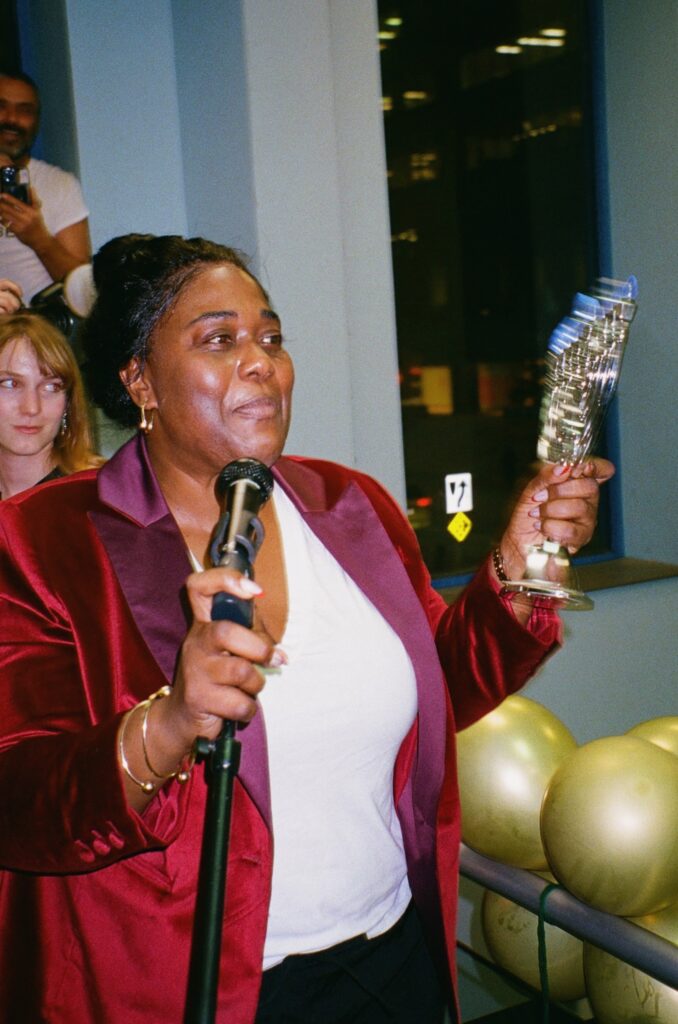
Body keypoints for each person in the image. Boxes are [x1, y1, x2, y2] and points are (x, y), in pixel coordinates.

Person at [0, 234, 612, 1024]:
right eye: (220, 340)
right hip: (188, 992)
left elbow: (437, 690)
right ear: (139, 378)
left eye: (272, 338)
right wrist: (169, 723)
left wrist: (518, 567)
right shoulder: (40, 540)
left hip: (392, 964)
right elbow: (19, 801)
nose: (262, 362)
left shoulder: (349, 503)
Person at [0, 69, 90, 304]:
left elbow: (84, 291)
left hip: (41, 323)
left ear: (37, 121)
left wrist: (37, 237)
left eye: (24, 110)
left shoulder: (60, 184)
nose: (11, 119)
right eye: (1, 106)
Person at [0, 311, 102, 499]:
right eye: (11, 384)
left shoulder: (103, 495)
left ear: (68, 404)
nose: (31, 408)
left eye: (51, 387)